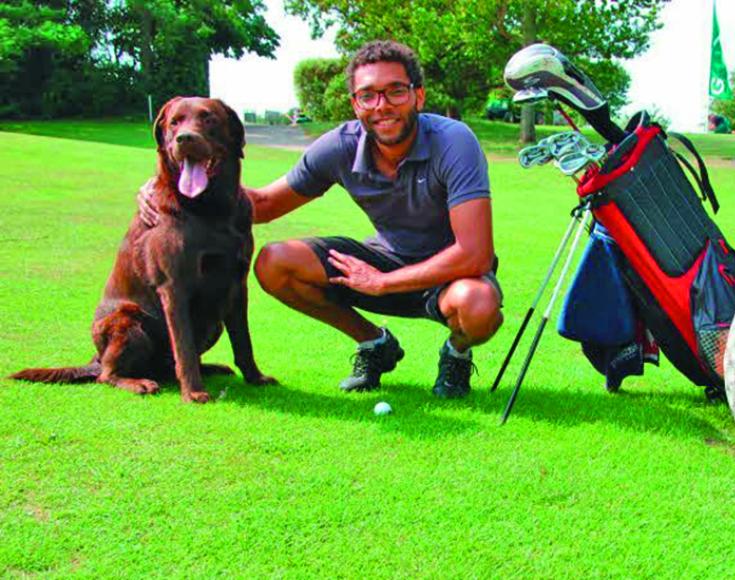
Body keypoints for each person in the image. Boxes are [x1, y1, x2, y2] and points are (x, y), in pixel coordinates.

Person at [139, 40, 503, 398]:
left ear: (418, 97)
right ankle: (375, 344)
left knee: (478, 306)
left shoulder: (455, 141)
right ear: (355, 103)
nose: (382, 106)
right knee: (275, 263)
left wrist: (384, 282)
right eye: (368, 95)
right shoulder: (341, 145)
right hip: (384, 259)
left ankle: (456, 354)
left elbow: (475, 255)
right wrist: (168, 187)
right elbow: (263, 205)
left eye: (395, 92)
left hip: (448, 274)